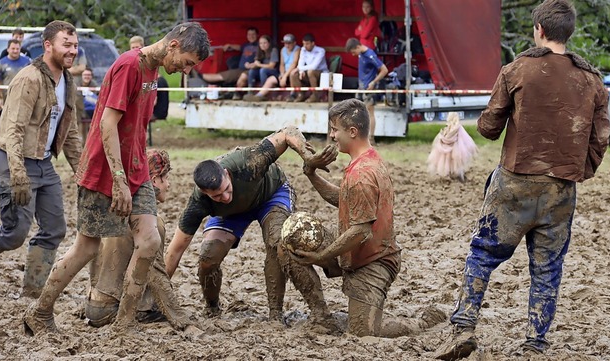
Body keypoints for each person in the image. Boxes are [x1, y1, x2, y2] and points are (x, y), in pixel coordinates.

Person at [433, 1, 610, 359]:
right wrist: (579, 171)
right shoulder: (592, 80)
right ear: (568, 32)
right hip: (561, 188)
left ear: (539, 30)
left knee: (482, 253)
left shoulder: (517, 70)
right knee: (548, 268)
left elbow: (488, 127)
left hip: (514, 181)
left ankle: (464, 325)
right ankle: (535, 343)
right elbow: (601, 136)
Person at [23, 22, 210, 335]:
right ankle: (40, 311)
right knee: (86, 248)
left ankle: (125, 319)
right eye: (188, 62)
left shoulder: (154, 73)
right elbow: (107, 126)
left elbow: (134, 129)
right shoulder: (128, 66)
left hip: (135, 172)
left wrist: (138, 172)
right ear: (174, 45)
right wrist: (119, 180)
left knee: (150, 240)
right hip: (104, 173)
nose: (186, 70)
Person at [290, 98, 444, 337]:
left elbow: (361, 231)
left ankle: (423, 323)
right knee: (290, 241)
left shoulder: (362, 174)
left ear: (352, 132)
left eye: (335, 130)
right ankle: (321, 314)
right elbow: (341, 197)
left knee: (364, 334)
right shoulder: (366, 160)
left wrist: (321, 256)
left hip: (374, 261)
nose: (331, 136)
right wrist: (310, 172)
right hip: (355, 252)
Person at [164, 126, 337, 330]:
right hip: (231, 214)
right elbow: (175, 251)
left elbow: (288, 131)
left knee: (277, 242)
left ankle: (276, 314)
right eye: (218, 196)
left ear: (227, 174)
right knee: (207, 259)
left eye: (226, 189)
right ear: (204, 193)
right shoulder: (198, 203)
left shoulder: (248, 162)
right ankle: (212, 308)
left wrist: (308, 157)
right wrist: (156, 295)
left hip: (271, 194)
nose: (225, 197)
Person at [0, 21, 82, 300]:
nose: (72, 51)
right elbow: (14, 130)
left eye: (75, 45)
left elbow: (70, 134)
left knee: (55, 229)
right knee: (15, 233)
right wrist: (18, 175)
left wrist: (82, 174)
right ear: (48, 46)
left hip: (43, 162)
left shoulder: (68, 81)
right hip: (12, 158)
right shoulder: (28, 78)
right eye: (66, 45)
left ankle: (32, 294)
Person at [85, 148, 191, 330]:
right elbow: (155, 274)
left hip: (92, 305)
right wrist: (182, 321)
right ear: (155, 180)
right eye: (166, 178)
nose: (169, 184)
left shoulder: (114, 208)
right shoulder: (150, 224)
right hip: (112, 310)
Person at [345, 37, 388, 145]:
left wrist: (373, 82)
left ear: (358, 47)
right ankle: (359, 137)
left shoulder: (370, 55)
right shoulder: (361, 53)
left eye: (353, 52)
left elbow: (384, 70)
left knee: (369, 113)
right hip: (361, 87)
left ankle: (371, 138)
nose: (353, 55)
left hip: (369, 89)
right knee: (356, 112)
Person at [196, 27, 259, 99]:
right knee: (219, 77)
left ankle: (234, 94)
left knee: (243, 77)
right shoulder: (245, 45)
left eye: (253, 34)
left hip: (251, 70)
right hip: (240, 69)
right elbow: (239, 47)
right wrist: (230, 45)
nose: (251, 36)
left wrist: (252, 65)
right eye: (249, 34)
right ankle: (199, 74)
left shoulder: (260, 46)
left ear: (257, 35)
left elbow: (261, 60)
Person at [288, 33, 328, 103]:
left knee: (310, 71)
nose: (305, 46)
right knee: (293, 73)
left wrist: (301, 68)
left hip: (321, 73)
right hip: (308, 72)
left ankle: (315, 95)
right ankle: (300, 94)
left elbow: (314, 66)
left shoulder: (320, 51)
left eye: (307, 44)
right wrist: (301, 71)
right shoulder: (303, 49)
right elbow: (301, 62)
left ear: (313, 43)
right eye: (304, 44)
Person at [0, 39, 32, 107]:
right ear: (8, 49)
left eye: (17, 49)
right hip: (7, 98)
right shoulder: (1, 63)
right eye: (13, 49)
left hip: (25, 97)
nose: (15, 51)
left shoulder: (28, 62)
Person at [243, 35, 279, 101]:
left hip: (274, 72)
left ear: (269, 43)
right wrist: (249, 65)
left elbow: (271, 66)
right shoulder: (260, 51)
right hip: (263, 70)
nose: (262, 45)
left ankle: (263, 93)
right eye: (260, 43)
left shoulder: (274, 50)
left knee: (263, 70)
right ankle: (250, 92)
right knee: (252, 71)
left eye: (265, 43)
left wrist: (259, 65)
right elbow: (256, 63)